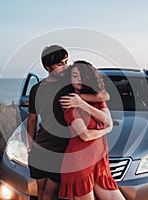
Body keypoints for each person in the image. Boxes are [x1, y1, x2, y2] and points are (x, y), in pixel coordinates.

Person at [26, 45, 109, 200]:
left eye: (66, 61)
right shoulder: (36, 89)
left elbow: (104, 96)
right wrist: (30, 147)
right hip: (41, 148)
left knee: (50, 194)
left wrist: (80, 99)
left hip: (61, 149)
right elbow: (32, 120)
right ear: (47, 67)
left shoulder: (69, 84)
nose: (65, 66)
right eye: (60, 64)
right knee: (40, 193)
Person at [58, 61, 126, 200]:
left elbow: (108, 120)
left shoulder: (97, 99)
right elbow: (85, 135)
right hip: (79, 163)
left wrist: (82, 103)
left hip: (99, 162)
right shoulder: (69, 103)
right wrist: (107, 130)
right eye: (75, 76)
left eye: (82, 76)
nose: (78, 80)